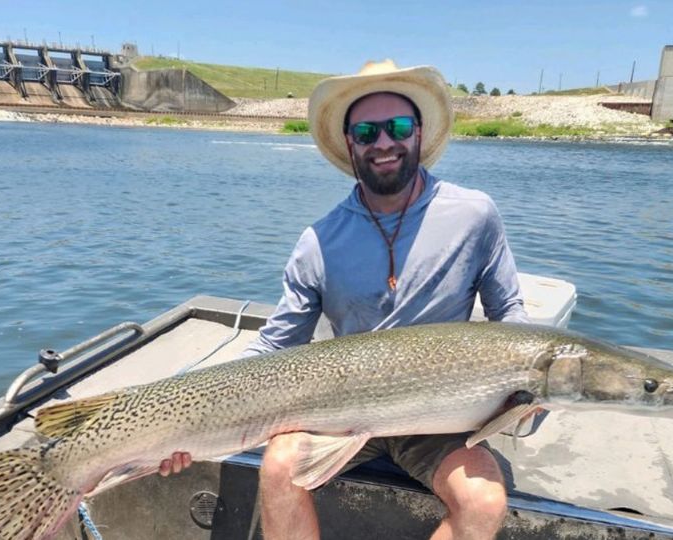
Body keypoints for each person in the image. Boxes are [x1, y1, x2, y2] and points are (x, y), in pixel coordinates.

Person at [161, 60, 529, 540]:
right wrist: (178, 421)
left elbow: (512, 318)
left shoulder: (475, 215)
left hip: (440, 418)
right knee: (278, 469)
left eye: (397, 127)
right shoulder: (319, 241)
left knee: (483, 502)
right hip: (343, 413)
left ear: (418, 133)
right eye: (366, 131)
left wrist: (527, 385)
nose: (383, 143)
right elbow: (274, 347)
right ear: (350, 143)